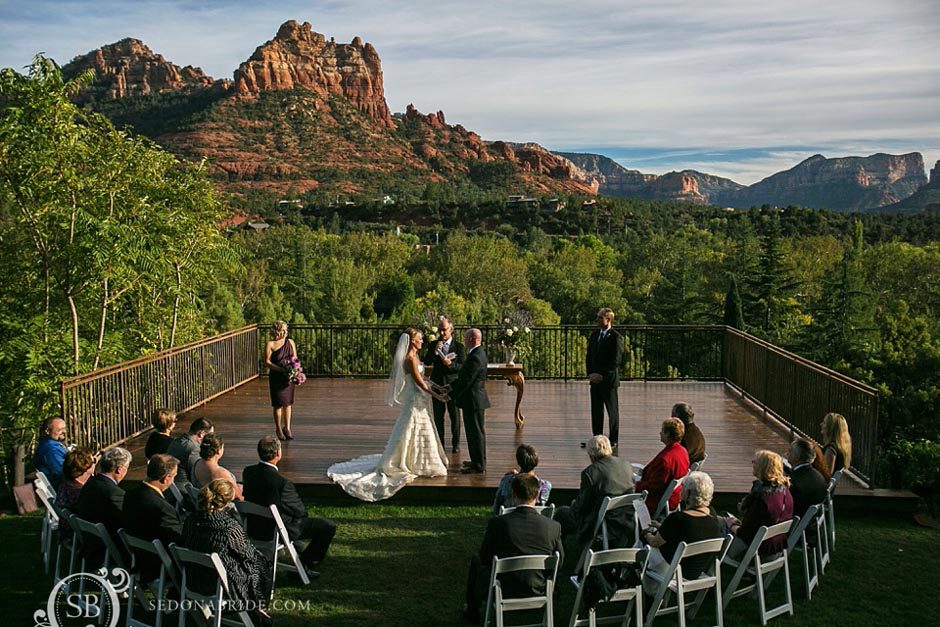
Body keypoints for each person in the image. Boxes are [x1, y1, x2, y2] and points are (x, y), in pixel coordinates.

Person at [327, 328, 450, 501]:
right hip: (415, 397)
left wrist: (438, 387)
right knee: (412, 427)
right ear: (412, 341)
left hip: (420, 396)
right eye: (419, 338)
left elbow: (424, 379)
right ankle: (411, 463)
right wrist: (438, 396)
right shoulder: (409, 359)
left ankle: (420, 462)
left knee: (420, 428)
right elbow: (419, 383)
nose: (422, 341)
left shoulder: (416, 357)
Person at [463, 475, 564, 623]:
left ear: (514, 495)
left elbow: (485, 557)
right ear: (536, 495)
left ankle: (472, 610)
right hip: (538, 587)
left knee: (476, 560)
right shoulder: (553, 526)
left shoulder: (498, 523)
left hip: (504, 588)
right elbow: (559, 563)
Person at [183, 479, 273, 626]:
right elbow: (248, 554)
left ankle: (256, 609)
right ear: (226, 502)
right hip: (219, 584)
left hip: (193, 578)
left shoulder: (191, 520)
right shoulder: (228, 527)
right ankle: (257, 608)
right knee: (261, 562)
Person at [244, 436, 336, 576]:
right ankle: (306, 564)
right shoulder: (282, 483)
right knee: (327, 527)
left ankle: (300, 557)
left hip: (252, 526)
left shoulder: (248, 472)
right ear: (278, 454)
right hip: (275, 530)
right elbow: (300, 511)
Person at [640, 472, 722, 593]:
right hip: (695, 569)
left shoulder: (678, 519)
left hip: (674, 570)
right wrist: (664, 528)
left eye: (683, 487)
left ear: (687, 494)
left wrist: (646, 533)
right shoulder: (712, 515)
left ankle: (646, 590)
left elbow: (654, 542)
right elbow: (690, 533)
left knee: (642, 546)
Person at [556, 435, 635, 554]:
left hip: (603, 521)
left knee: (562, 513)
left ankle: (560, 553)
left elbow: (583, 507)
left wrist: (574, 505)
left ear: (591, 455)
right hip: (627, 516)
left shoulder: (590, 473)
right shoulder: (626, 465)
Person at [121, 454, 184, 582]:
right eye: (174, 476)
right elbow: (178, 540)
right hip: (159, 567)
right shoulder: (162, 508)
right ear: (166, 478)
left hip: (139, 559)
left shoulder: (131, 496)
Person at [726, 450, 793, 558]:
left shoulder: (762, 499)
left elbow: (745, 534)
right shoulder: (786, 492)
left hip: (754, 551)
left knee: (718, 524)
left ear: (763, 467)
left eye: (755, 462)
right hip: (775, 547)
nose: (752, 463)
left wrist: (732, 525)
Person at [74, 446, 132, 564]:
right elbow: (127, 522)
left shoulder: (89, 484)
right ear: (119, 469)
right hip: (107, 550)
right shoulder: (114, 493)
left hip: (90, 543)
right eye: (127, 468)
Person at [450, 328, 490, 474]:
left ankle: (479, 464)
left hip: (474, 400)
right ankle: (476, 460)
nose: (464, 340)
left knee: (476, 433)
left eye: (466, 337)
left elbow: (467, 381)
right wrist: (449, 387)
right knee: (473, 433)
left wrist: (451, 395)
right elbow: (464, 377)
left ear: (473, 339)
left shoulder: (476, 356)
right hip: (472, 400)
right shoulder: (476, 353)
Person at [423, 316, 466, 453]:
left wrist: (451, 365)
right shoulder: (434, 344)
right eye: (440, 330)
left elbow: (462, 366)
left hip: (453, 385)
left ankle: (456, 444)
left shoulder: (459, 347)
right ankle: (439, 442)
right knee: (438, 416)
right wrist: (434, 351)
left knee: (455, 416)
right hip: (438, 384)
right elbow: (427, 362)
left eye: (444, 330)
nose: (442, 333)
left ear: (451, 330)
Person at [584, 308, 624, 448]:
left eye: (600, 318)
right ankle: (597, 439)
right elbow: (589, 356)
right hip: (595, 380)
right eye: (597, 317)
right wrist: (590, 374)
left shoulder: (616, 337)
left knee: (612, 412)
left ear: (608, 320)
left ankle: (613, 440)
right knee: (596, 411)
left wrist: (601, 375)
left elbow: (616, 361)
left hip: (608, 381)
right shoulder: (594, 335)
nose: (597, 320)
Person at [636, 418, 690, 513]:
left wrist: (634, 485)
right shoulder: (682, 451)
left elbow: (654, 487)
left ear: (668, 434)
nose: (660, 433)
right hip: (674, 497)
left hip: (655, 501)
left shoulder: (665, 460)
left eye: (662, 431)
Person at [492, 444, 552, 515]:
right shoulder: (545, 486)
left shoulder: (507, 481)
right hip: (535, 519)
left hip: (509, 519)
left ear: (518, 461)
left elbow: (497, 505)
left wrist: (512, 476)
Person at [55, 447, 97, 546]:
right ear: (86, 467)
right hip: (77, 536)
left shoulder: (66, 484)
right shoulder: (78, 492)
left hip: (67, 533)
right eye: (94, 461)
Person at [265, 320, 298, 440]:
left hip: (288, 377)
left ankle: (287, 428)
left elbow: (295, 358)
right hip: (276, 377)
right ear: (276, 331)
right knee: (277, 404)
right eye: (282, 330)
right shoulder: (270, 344)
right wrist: (280, 369)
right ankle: (278, 429)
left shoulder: (290, 342)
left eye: (286, 330)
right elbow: (267, 362)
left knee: (288, 403)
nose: (285, 332)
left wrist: (294, 370)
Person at [191, 433, 243, 500]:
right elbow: (239, 497)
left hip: (202, 502)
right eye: (222, 447)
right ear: (218, 451)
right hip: (220, 506)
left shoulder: (197, 463)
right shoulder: (221, 473)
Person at [787, 438, 828, 519]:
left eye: (790, 451)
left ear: (797, 457)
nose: (787, 453)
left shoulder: (794, 481)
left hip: (798, 523)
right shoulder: (818, 475)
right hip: (812, 520)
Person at [167, 417, 214, 485]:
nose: (211, 438)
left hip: (172, 486)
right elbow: (198, 473)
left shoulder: (177, 440)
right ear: (202, 433)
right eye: (210, 435)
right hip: (185, 488)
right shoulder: (194, 449)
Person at [33, 417, 69, 490]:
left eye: (64, 428)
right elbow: (65, 472)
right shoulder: (50, 450)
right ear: (47, 431)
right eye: (59, 430)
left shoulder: (53, 445)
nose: (64, 431)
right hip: (60, 488)